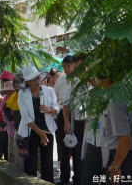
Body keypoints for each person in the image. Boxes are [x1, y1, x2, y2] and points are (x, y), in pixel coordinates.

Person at [18, 66, 59, 183]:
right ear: (27, 82)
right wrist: (39, 132)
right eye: (33, 79)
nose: (37, 81)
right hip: (30, 130)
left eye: (38, 78)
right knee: (30, 162)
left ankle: (48, 181)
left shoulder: (49, 90)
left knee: (47, 162)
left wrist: (50, 110)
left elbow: (57, 107)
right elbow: (25, 117)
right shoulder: (22, 93)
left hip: (47, 129)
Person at [62, 54, 88, 185]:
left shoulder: (97, 81)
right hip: (79, 123)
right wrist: (66, 122)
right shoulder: (72, 83)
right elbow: (66, 105)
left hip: (95, 124)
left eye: (81, 67)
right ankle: (78, 179)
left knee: (92, 156)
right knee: (78, 156)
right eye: (76, 67)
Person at [54, 55, 76, 185]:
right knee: (63, 147)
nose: (66, 69)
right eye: (64, 67)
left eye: (69, 66)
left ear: (74, 65)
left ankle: (77, 176)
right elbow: (56, 96)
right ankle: (64, 176)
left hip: (76, 113)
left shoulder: (79, 79)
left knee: (76, 147)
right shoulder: (60, 80)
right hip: (63, 113)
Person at [0, 81, 16, 163]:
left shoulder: (19, 98)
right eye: (7, 91)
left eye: (10, 91)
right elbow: (4, 116)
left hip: (21, 131)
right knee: (11, 154)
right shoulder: (7, 101)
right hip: (10, 131)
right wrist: (12, 122)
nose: (9, 93)